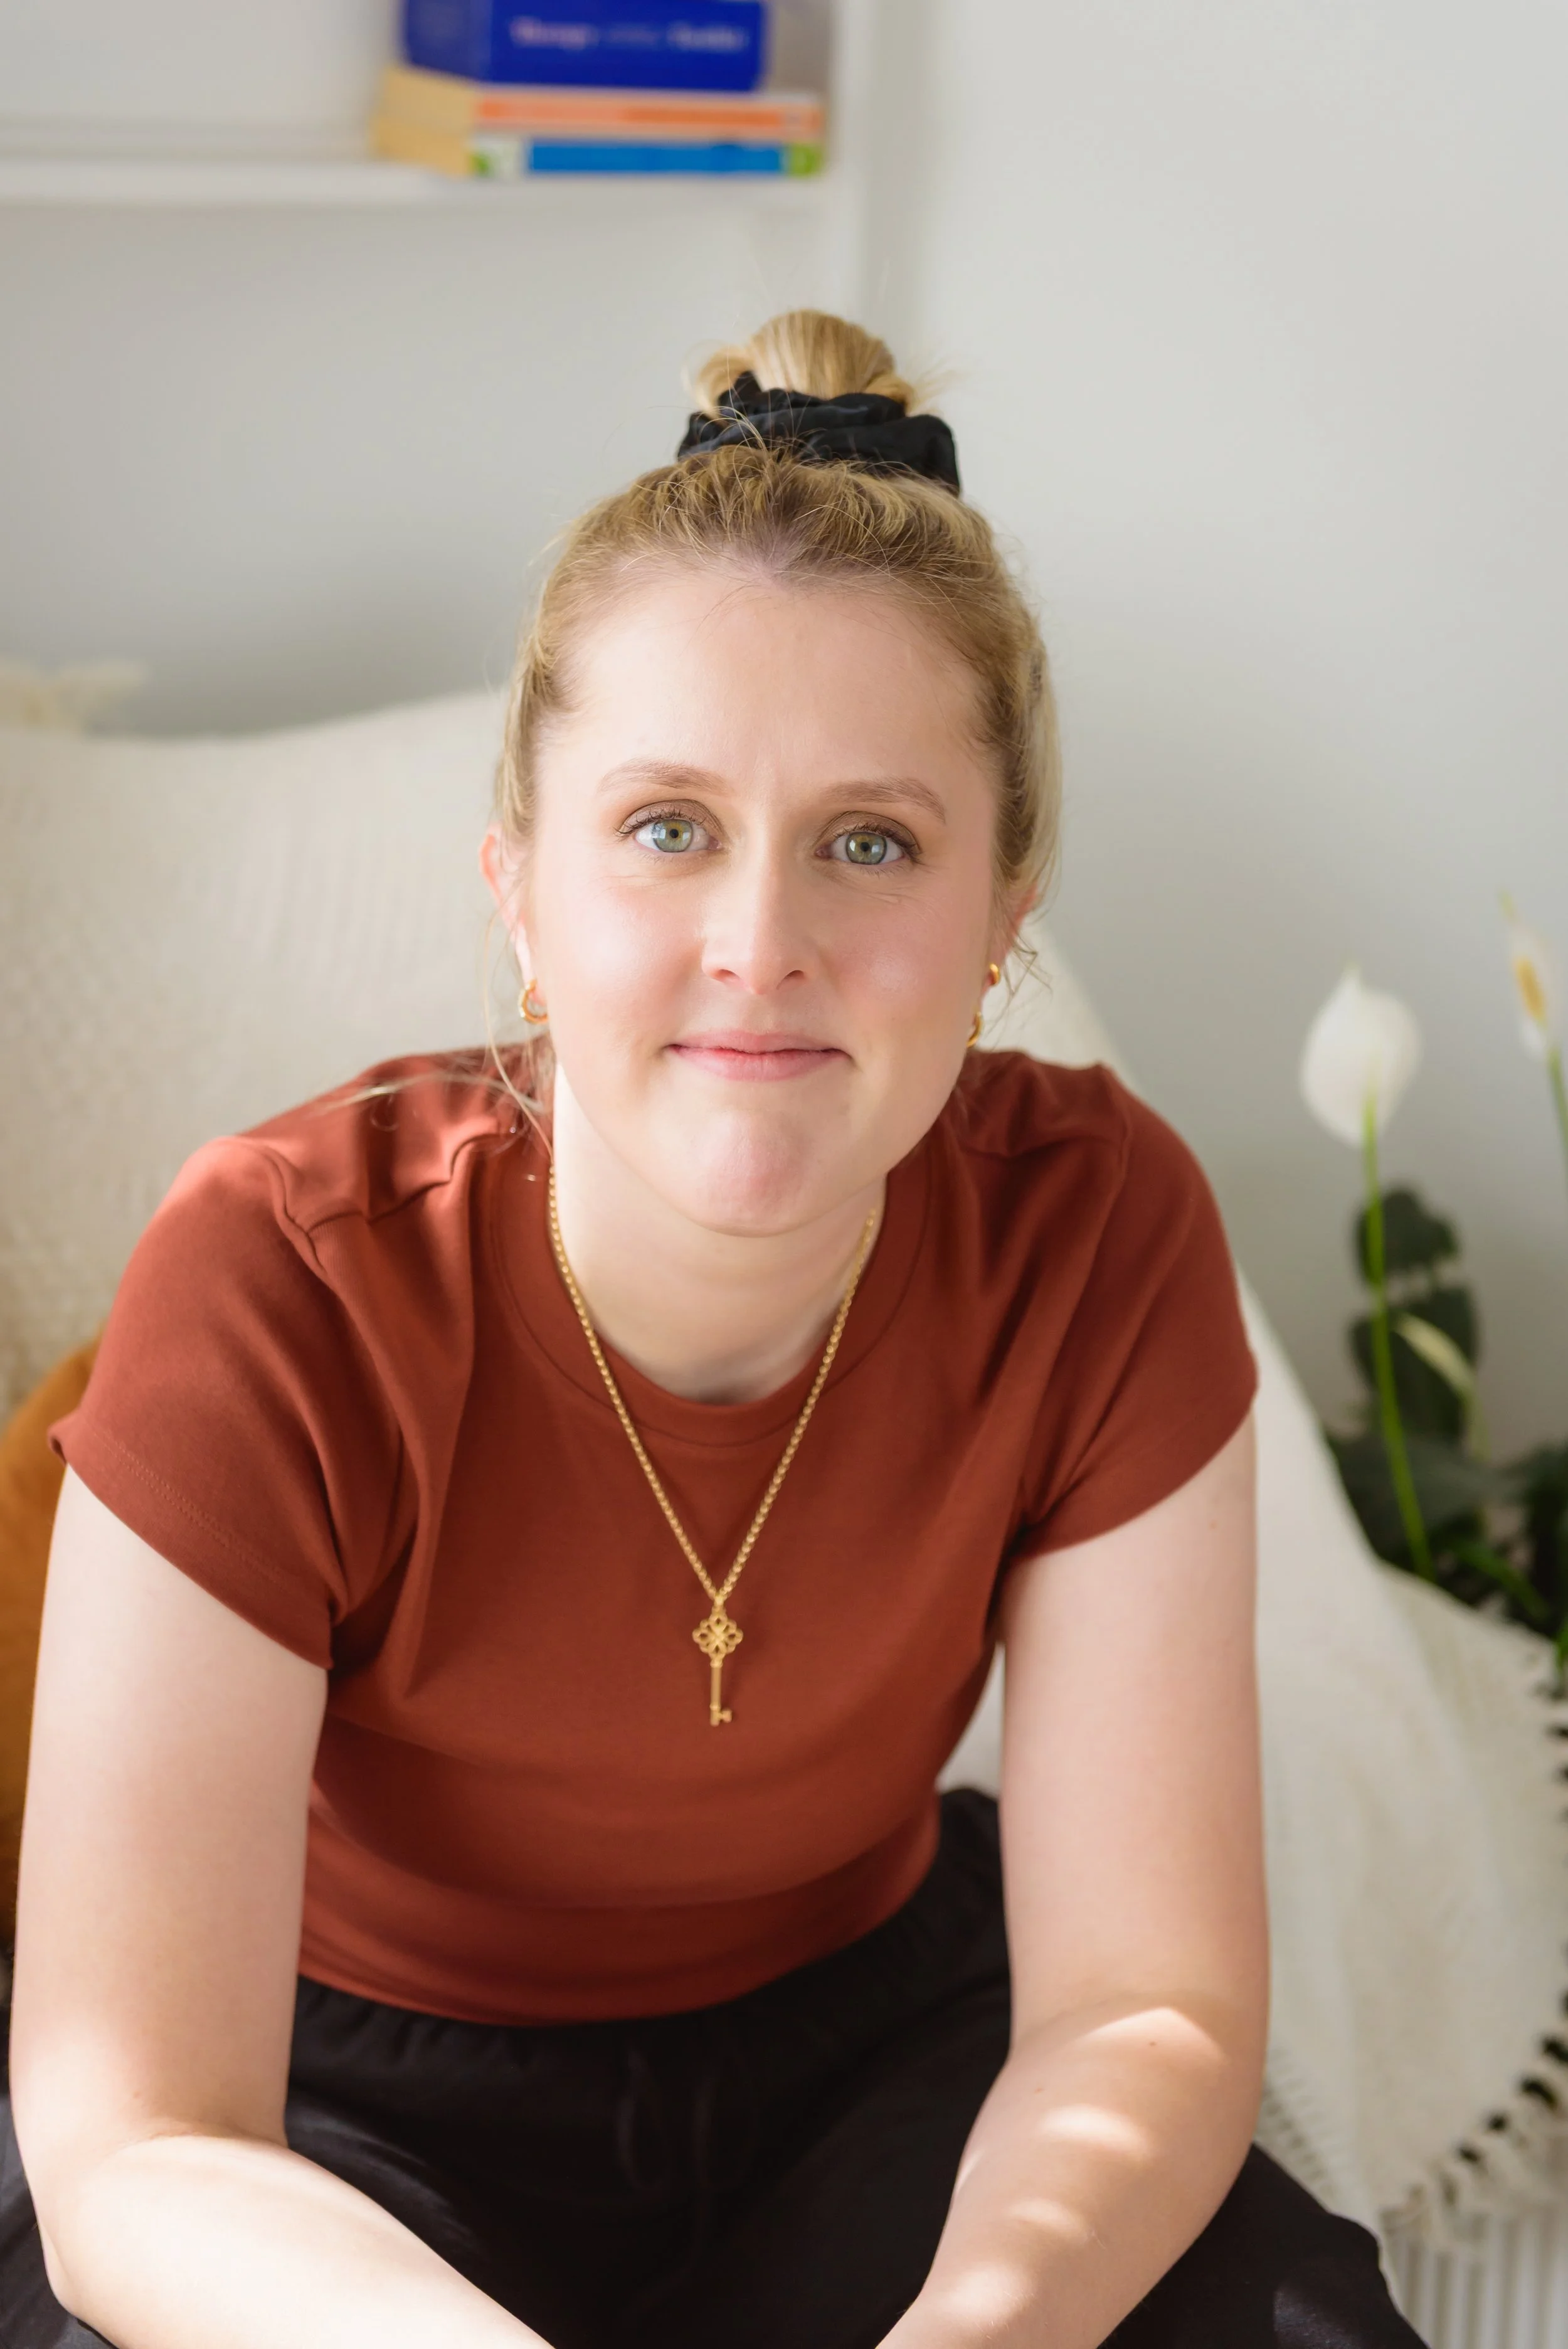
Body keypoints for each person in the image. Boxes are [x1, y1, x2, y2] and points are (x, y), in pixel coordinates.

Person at [0, 311, 1424, 2349]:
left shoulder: (1097, 1229)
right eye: (667, 827)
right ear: (519, 885)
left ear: (1007, 909)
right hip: (322, 2134)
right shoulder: (280, 1277)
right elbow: (137, 2145)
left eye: (871, 841)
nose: (762, 941)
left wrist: (983, 2329)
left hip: (868, 2070)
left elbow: (1142, 2007)